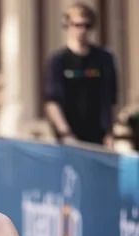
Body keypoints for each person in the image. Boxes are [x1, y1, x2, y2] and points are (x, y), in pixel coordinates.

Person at [44, 2, 117, 148]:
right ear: (68, 26)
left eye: (86, 26)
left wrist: (110, 132)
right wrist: (65, 133)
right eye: (77, 25)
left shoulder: (103, 59)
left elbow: (111, 98)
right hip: (69, 137)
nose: (82, 30)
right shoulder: (58, 60)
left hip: (98, 137)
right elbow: (52, 101)